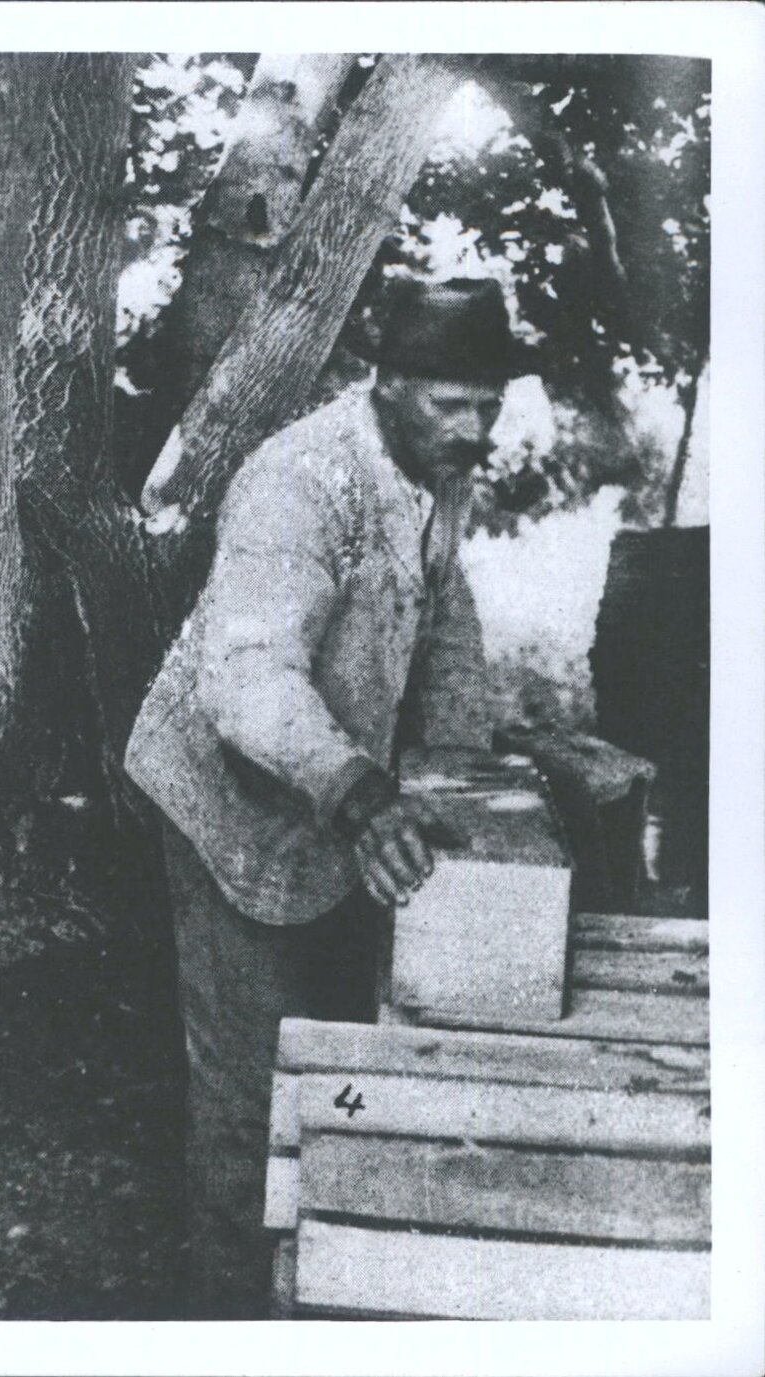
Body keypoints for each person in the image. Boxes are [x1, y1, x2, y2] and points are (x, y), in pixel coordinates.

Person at [124, 276, 527, 1317]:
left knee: (341, 1047)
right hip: (231, 804)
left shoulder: (439, 473)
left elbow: (444, 627)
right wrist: (359, 793)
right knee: (253, 1089)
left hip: (338, 795)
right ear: (385, 386)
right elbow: (247, 680)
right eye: (450, 402)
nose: (474, 428)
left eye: (487, 404)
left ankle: (322, 1282)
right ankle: (230, 1308)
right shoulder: (295, 481)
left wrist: (460, 783)